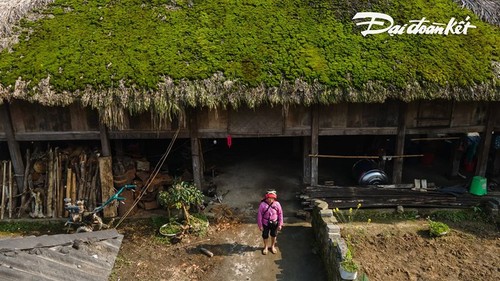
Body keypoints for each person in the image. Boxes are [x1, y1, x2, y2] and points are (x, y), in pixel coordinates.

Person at [257, 190, 283, 255]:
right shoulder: (262, 205)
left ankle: (272, 246)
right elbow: (259, 215)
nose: (270, 200)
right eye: (269, 198)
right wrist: (260, 226)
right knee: (265, 235)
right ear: (266, 198)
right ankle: (265, 246)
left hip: (274, 223)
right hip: (265, 223)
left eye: (272, 198)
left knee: (273, 235)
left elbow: (280, 214)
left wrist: (280, 224)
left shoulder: (277, 204)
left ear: (274, 198)